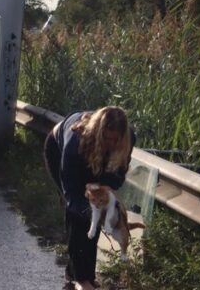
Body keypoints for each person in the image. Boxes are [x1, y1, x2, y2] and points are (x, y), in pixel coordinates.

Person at [43, 106, 135, 290]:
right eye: (106, 138)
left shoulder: (128, 139)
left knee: (96, 211)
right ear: (99, 132)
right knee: (78, 211)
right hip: (59, 150)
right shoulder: (76, 138)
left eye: (114, 139)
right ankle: (82, 278)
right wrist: (77, 203)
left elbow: (118, 176)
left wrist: (107, 187)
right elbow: (71, 192)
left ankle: (79, 272)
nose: (110, 143)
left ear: (121, 137)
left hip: (95, 156)